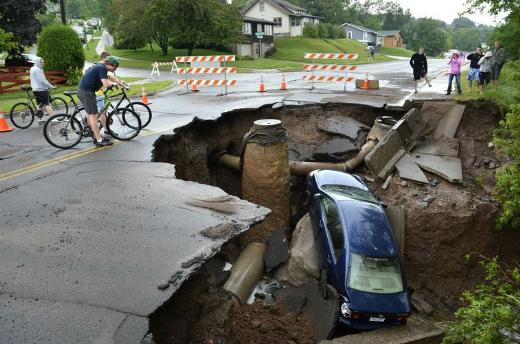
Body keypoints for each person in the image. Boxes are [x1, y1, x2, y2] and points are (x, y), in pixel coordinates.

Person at [77, 56, 122, 147]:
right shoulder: (102, 68)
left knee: (91, 114)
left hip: (85, 90)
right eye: (115, 67)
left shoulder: (101, 67)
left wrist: (118, 83)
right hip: (87, 92)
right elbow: (106, 84)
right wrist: (114, 84)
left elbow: (108, 79)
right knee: (94, 115)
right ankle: (99, 140)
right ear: (110, 64)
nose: (115, 69)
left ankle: (95, 135)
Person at [29, 57, 55, 124]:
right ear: (37, 62)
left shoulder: (32, 68)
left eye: (43, 62)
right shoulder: (38, 69)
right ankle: (52, 119)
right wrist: (50, 86)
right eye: (41, 62)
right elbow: (42, 80)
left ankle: (40, 119)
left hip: (35, 89)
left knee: (39, 104)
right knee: (47, 104)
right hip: (41, 89)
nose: (43, 63)